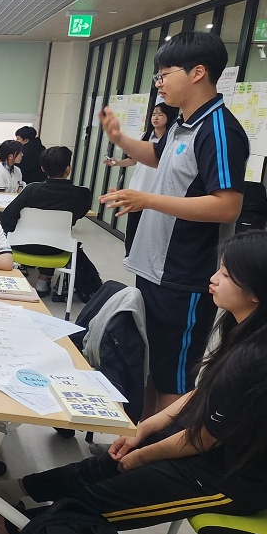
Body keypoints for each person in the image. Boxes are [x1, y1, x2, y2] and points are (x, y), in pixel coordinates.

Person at [0, 230, 267, 534]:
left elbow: (201, 440)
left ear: (258, 292)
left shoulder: (263, 357)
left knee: (90, 505)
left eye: (225, 274)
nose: (213, 278)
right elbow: (204, 391)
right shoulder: (254, 327)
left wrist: (143, 455)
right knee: (107, 461)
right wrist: (146, 428)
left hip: (231, 480)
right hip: (213, 448)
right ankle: (17, 489)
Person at [98, 31, 248, 415]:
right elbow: (156, 155)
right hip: (154, 268)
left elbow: (227, 206)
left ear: (197, 73)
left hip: (185, 276)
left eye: (164, 74)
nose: (159, 83)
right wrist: (120, 138)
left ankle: (165, 446)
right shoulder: (184, 123)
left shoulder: (218, 130)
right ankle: (142, 439)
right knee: (152, 365)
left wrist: (146, 199)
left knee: (175, 378)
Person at [0, 146, 103, 301]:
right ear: (68, 169)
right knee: (52, 236)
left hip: (22, 245)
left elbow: (7, 217)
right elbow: (79, 214)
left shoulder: (31, 190)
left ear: (42, 168)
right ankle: (42, 281)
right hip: (58, 247)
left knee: (37, 235)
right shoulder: (82, 194)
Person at [103, 102, 178, 254]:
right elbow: (132, 160)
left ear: (169, 117)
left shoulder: (173, 140)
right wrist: (117, 163)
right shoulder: (143, 137)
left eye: (160, 114)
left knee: (154, 231)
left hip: (159, 193)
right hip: (138, 189)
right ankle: (129, 255)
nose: (155, 118)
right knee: (133, 228)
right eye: (154, 114)